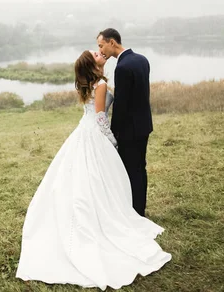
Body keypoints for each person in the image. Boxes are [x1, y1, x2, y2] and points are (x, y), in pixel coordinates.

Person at [16, 50, 171, 290]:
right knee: (95, 177)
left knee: (88, 177)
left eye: (100, 50)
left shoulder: (88, 83)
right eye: (96, 53)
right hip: (94, 134)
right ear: (93, 64)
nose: (100, 53)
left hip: (83, 130)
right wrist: (113, 141)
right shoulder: (99, 85)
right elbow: (100, 118)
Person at [97, 28, 152, 217]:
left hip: (129, 130)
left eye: (101, 45)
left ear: (112, 42)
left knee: (129, 171)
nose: (101, 50)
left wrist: (114, 133)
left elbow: (121, 105)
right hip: (144, 125)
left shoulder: (122, 67)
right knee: (140, 168)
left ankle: (135, 213)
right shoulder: (142, 59)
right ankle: (140, 208)